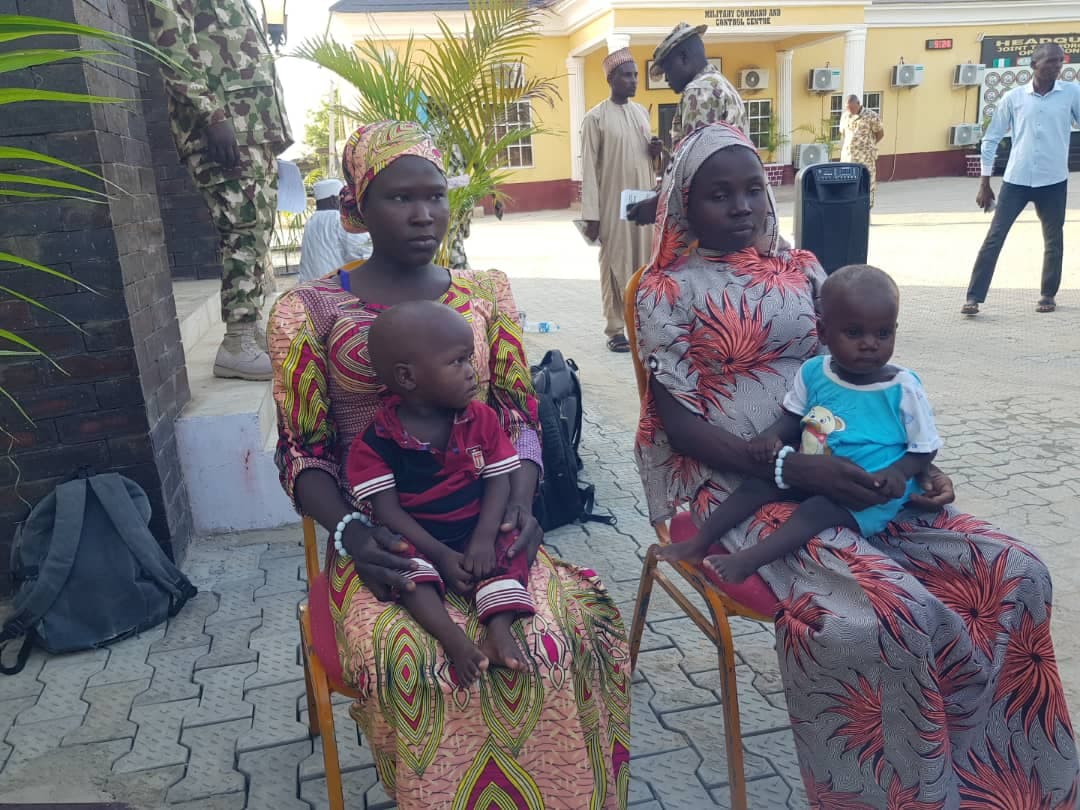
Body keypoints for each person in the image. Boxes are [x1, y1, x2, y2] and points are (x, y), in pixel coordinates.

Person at [634, 121, 1078, 806]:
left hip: (844, 464)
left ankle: (1002, 783)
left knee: (1016, 570)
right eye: (718, 194)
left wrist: (911, 462)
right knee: (891, 612)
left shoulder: (804, 269)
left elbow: (857, 372)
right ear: (683, 204)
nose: (743, 206)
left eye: (753, 188)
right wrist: (794, 471)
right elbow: (679, 425)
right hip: (730, 487)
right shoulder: (666, 290)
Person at [268, 120, 630, 809]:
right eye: (401, 198)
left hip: (489, 521)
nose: (424, 213)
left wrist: (520, 509)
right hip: (384, 537)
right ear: (359, 206)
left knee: (555, 645)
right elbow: (304, 454)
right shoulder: (307, 311)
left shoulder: (485, 293)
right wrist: (353, 537)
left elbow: (519, 420)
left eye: (435, 195)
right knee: (420, 666)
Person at [659, 264, 941, 584]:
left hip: (868, 490)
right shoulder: (814, 372)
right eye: (854, 333)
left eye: (883, 333)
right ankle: (699, 542)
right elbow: (794, 416)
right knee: (760, 483)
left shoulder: (902, 387)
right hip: (815, 470)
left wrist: (898, 473)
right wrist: (771, 436)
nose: (869, 344)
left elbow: (925, 447)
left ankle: (747, 560)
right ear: (823, 333)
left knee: (816, 511)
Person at [345, 301, 533, 684]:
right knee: (404, 569)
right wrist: (441, 554)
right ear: (408, 377)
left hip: (475, 525)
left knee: (516, 544)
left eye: (470, 358)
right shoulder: (377, 439)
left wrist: (482, 538)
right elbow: (389, 513)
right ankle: (454, 639)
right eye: (458, 362)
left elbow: (499, 478)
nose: (472, 373)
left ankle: (498, 627)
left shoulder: (479, 417)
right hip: (422, 536)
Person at [146, 0, 292, 381]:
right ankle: (236, 341)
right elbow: (172, 48)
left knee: (259, 230)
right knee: (242, 229)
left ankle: (250, 322)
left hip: (252, 128)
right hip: (224, 130)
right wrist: (211, 114)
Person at [962, 42, 1080, 316]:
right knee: (995, 237)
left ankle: (1048, 294)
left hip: (1053, 180)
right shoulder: (1014, 98)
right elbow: (990, 140)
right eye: (1050, 62)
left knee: (1054, 239)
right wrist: (984, 182)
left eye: (1059, 62)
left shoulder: (1071, 94)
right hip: (1016, 180)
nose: (1056, 67)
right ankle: (973, 297)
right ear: (1034, 64)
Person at [627, 22, 746, 226]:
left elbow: (696, 169)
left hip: (712, 216)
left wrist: (658, 205)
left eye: (667, 69)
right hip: (730, 207)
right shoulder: (719, 84)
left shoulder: (699, 92)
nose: (666, 79)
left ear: (683, 57)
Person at [581, 48, 661, 353]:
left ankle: (640, 322)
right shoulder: (595, 118)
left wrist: (655, 154)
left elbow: (645, 159)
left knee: (644, 261)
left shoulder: (641, 112)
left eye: (635, 75)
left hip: (642, 201)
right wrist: (592, 215)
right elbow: (588, 167)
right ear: (611, 79)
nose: (633, 81)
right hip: (612, 205)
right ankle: (615, 328)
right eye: (626, 75)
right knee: (614, 264)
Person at [298, 178, 372, 283]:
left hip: (310, 287)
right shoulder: (340, 219)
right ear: (334, 199)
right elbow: (362, 252)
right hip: (334, 288)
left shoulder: (311, 221)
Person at [839, 94, 885, 207]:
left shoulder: (871, 115)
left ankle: (866, 212)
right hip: (848, 158)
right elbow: (843, 133)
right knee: (847, 183)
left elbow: (880, 133)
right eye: (848, 108)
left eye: (852, 108)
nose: (850, 111)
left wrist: (868, 145)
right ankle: (849, 209)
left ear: (858, 104)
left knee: (867, 184)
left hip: (865, 158)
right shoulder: (845, 116)